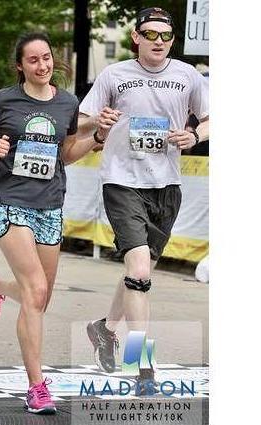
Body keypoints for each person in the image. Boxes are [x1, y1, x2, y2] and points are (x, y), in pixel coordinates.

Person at [0, 32, 111, 414]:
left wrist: (96, 139)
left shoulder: (67, 103)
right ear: (20, 66)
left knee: (38, 297)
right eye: (33, 60)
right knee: (35, 290)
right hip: (11, 203)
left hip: (50, 205)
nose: (42, 66)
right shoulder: (1, 101)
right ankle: (36, 386)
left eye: (46, 59)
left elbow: (66, 155)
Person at [78, 7, 209, 392]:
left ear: (172, 40)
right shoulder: (114, 74)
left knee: (140, 273)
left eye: (165, 36)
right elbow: (82, 119)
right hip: (121, 181)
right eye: (150, 35)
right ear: (136, 37)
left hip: (166, 186)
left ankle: (105, 329)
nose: (158, 42)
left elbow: (210, 117)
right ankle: (143, 367)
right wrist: (97, 122)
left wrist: (196, 136)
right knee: (139, 271)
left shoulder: (188, 75)